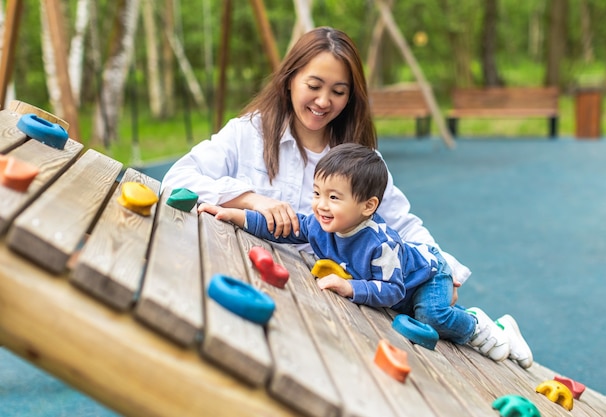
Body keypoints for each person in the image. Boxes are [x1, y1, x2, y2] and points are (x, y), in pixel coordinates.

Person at [160, 26, 471, 294]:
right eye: (313, 86)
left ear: (350, 97)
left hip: (322, 299)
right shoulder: (250, 133)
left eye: (338, 91)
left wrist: (445, 273)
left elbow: (401, 223)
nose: (323, 101)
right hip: (238, 270)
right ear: (290, 80)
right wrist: (252, 200)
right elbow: (176, 181)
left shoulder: (358, 161)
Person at [199, 143, 533, 368]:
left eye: (333, 197)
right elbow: (282, 228)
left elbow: (392, 290)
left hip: (428, 275)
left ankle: (477, 326)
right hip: (405, 284)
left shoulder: (379, 244)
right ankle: (498, 325)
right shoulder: (320, 224)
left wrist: (351, 288)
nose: (320, 205)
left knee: (431, 315)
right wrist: (238, 216)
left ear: (367, 206)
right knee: (419, 313)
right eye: (317, 193)